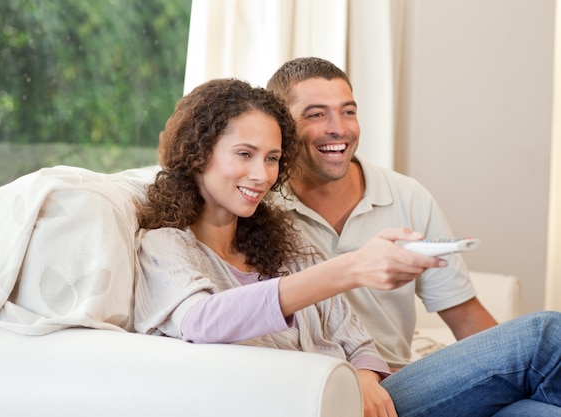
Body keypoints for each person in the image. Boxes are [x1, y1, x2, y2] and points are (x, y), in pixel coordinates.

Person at [133, 78, 561, 417]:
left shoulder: (280, 242)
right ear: (198, 154)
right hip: (309, 406)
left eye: (271, 158)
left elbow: (354, 339)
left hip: (365, 400)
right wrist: (351, 268)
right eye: (244, 154)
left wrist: (364, 377)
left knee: (533, 412)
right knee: (542, 334)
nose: (261, 174)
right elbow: (202, 322)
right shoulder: (164, 245)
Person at [266, 57, 497, 368]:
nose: (338, 129)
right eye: (316, 114)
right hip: (316, 384)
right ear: (281, 127)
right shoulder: (260, 207)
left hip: (401, 382)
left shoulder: (407, 196)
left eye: (348, 112)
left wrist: (515, 366)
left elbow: (466, 319)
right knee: (544, 332)